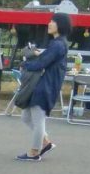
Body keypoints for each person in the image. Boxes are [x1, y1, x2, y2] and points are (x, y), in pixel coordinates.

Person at [16, 12, 71, 162]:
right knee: (26, 117)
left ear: (60, 25)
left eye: (53, 22)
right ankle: (45, 142)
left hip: (45, 85)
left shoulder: (58, 44)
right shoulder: (58, 43)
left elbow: (42, 63)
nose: (49, 24)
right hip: (45, 84)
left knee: (38, 119)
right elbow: (47, 58)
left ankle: (34, 152)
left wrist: (24, 64)